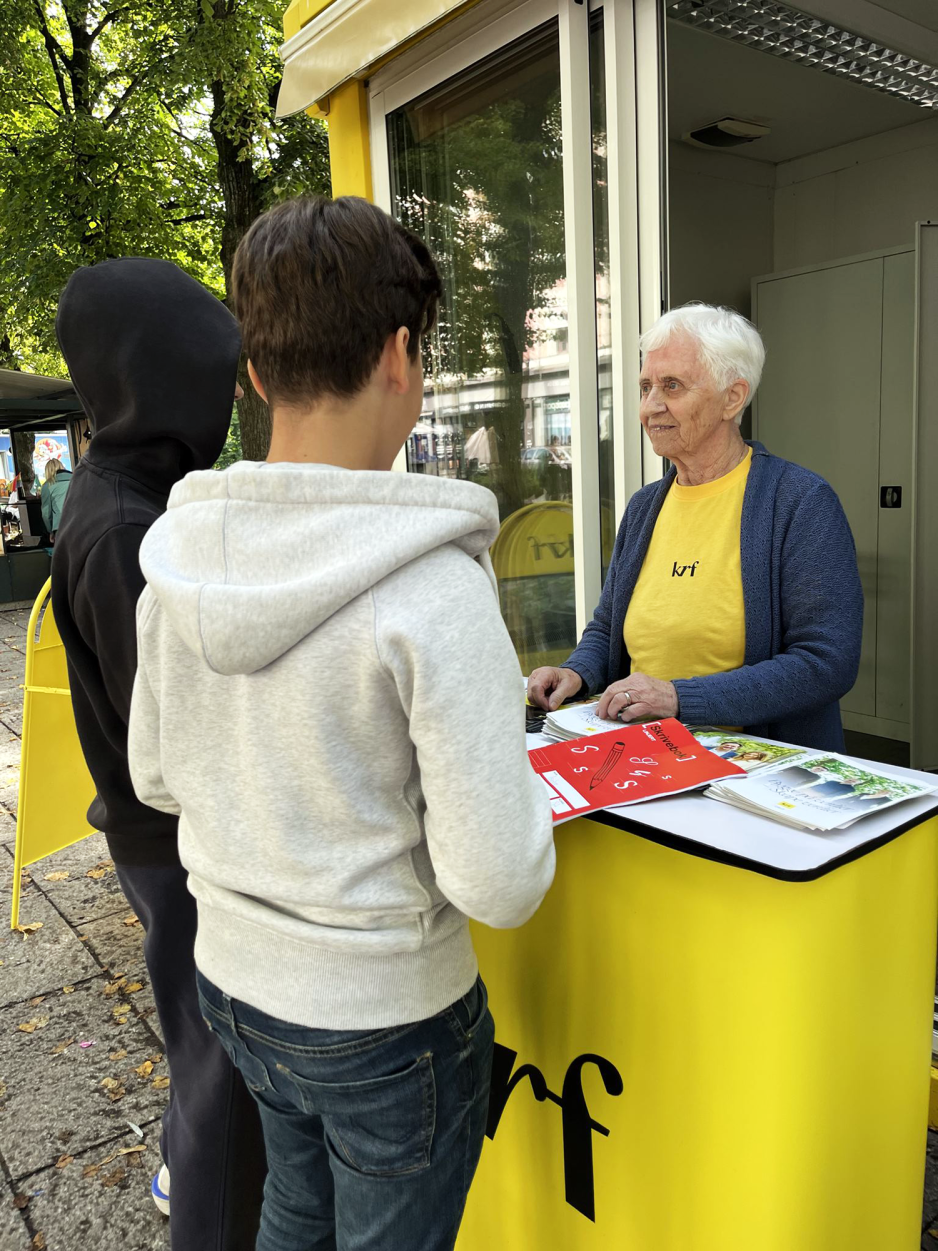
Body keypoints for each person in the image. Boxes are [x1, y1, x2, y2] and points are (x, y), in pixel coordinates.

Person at [127, 195, 555, 1251]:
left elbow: (155, 776)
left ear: (257, 375)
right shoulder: (431, 587)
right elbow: (498, 881)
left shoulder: (178, 566)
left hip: (234, 979)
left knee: (293, 1213)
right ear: (402, 356)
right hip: (386, 1017)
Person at [52, 258, 266, 1249]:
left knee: (199, 1046)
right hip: (174, 843)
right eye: (212, 376)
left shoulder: (133, 495)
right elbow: (177, 727)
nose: (224, 400)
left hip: (161, 836)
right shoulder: (122, 525)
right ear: (159, 376)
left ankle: (194, 1181)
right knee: (221, 1061)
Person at [527, 303, 863, 752]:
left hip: (751, 773)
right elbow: (608, 628)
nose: (650, 407)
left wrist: (679, 699)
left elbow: (826, 662)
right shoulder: (645, 506)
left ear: (732, 397)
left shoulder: (800, 502)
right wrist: (577, 672)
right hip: (644, 755)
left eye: (672, 386)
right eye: (646, 386)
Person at [40, 458, 72, 546]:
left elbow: (46, 514)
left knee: (65, 557)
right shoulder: (76, 479)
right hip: (81, 522)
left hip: (61, 526)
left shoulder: (47, 486)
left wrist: (50, 531)